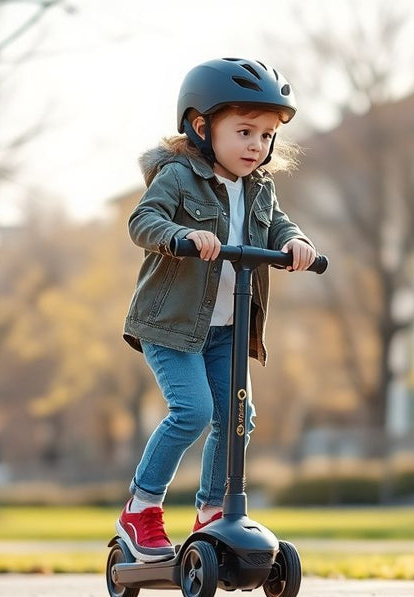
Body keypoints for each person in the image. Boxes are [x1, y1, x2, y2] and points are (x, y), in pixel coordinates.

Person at [116, 57, 316, 562]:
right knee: (195, 411)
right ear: (202, 127)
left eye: (268, 135)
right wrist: (180, 235)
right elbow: (143, 221)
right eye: (245, 131)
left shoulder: (260, 188)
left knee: (238, 417)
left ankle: (212, 512)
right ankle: (140, 510)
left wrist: (296, 244)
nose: (258, 146)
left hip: (228, 328)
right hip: (173, 324)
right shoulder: (179, 177)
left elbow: (278, 227)